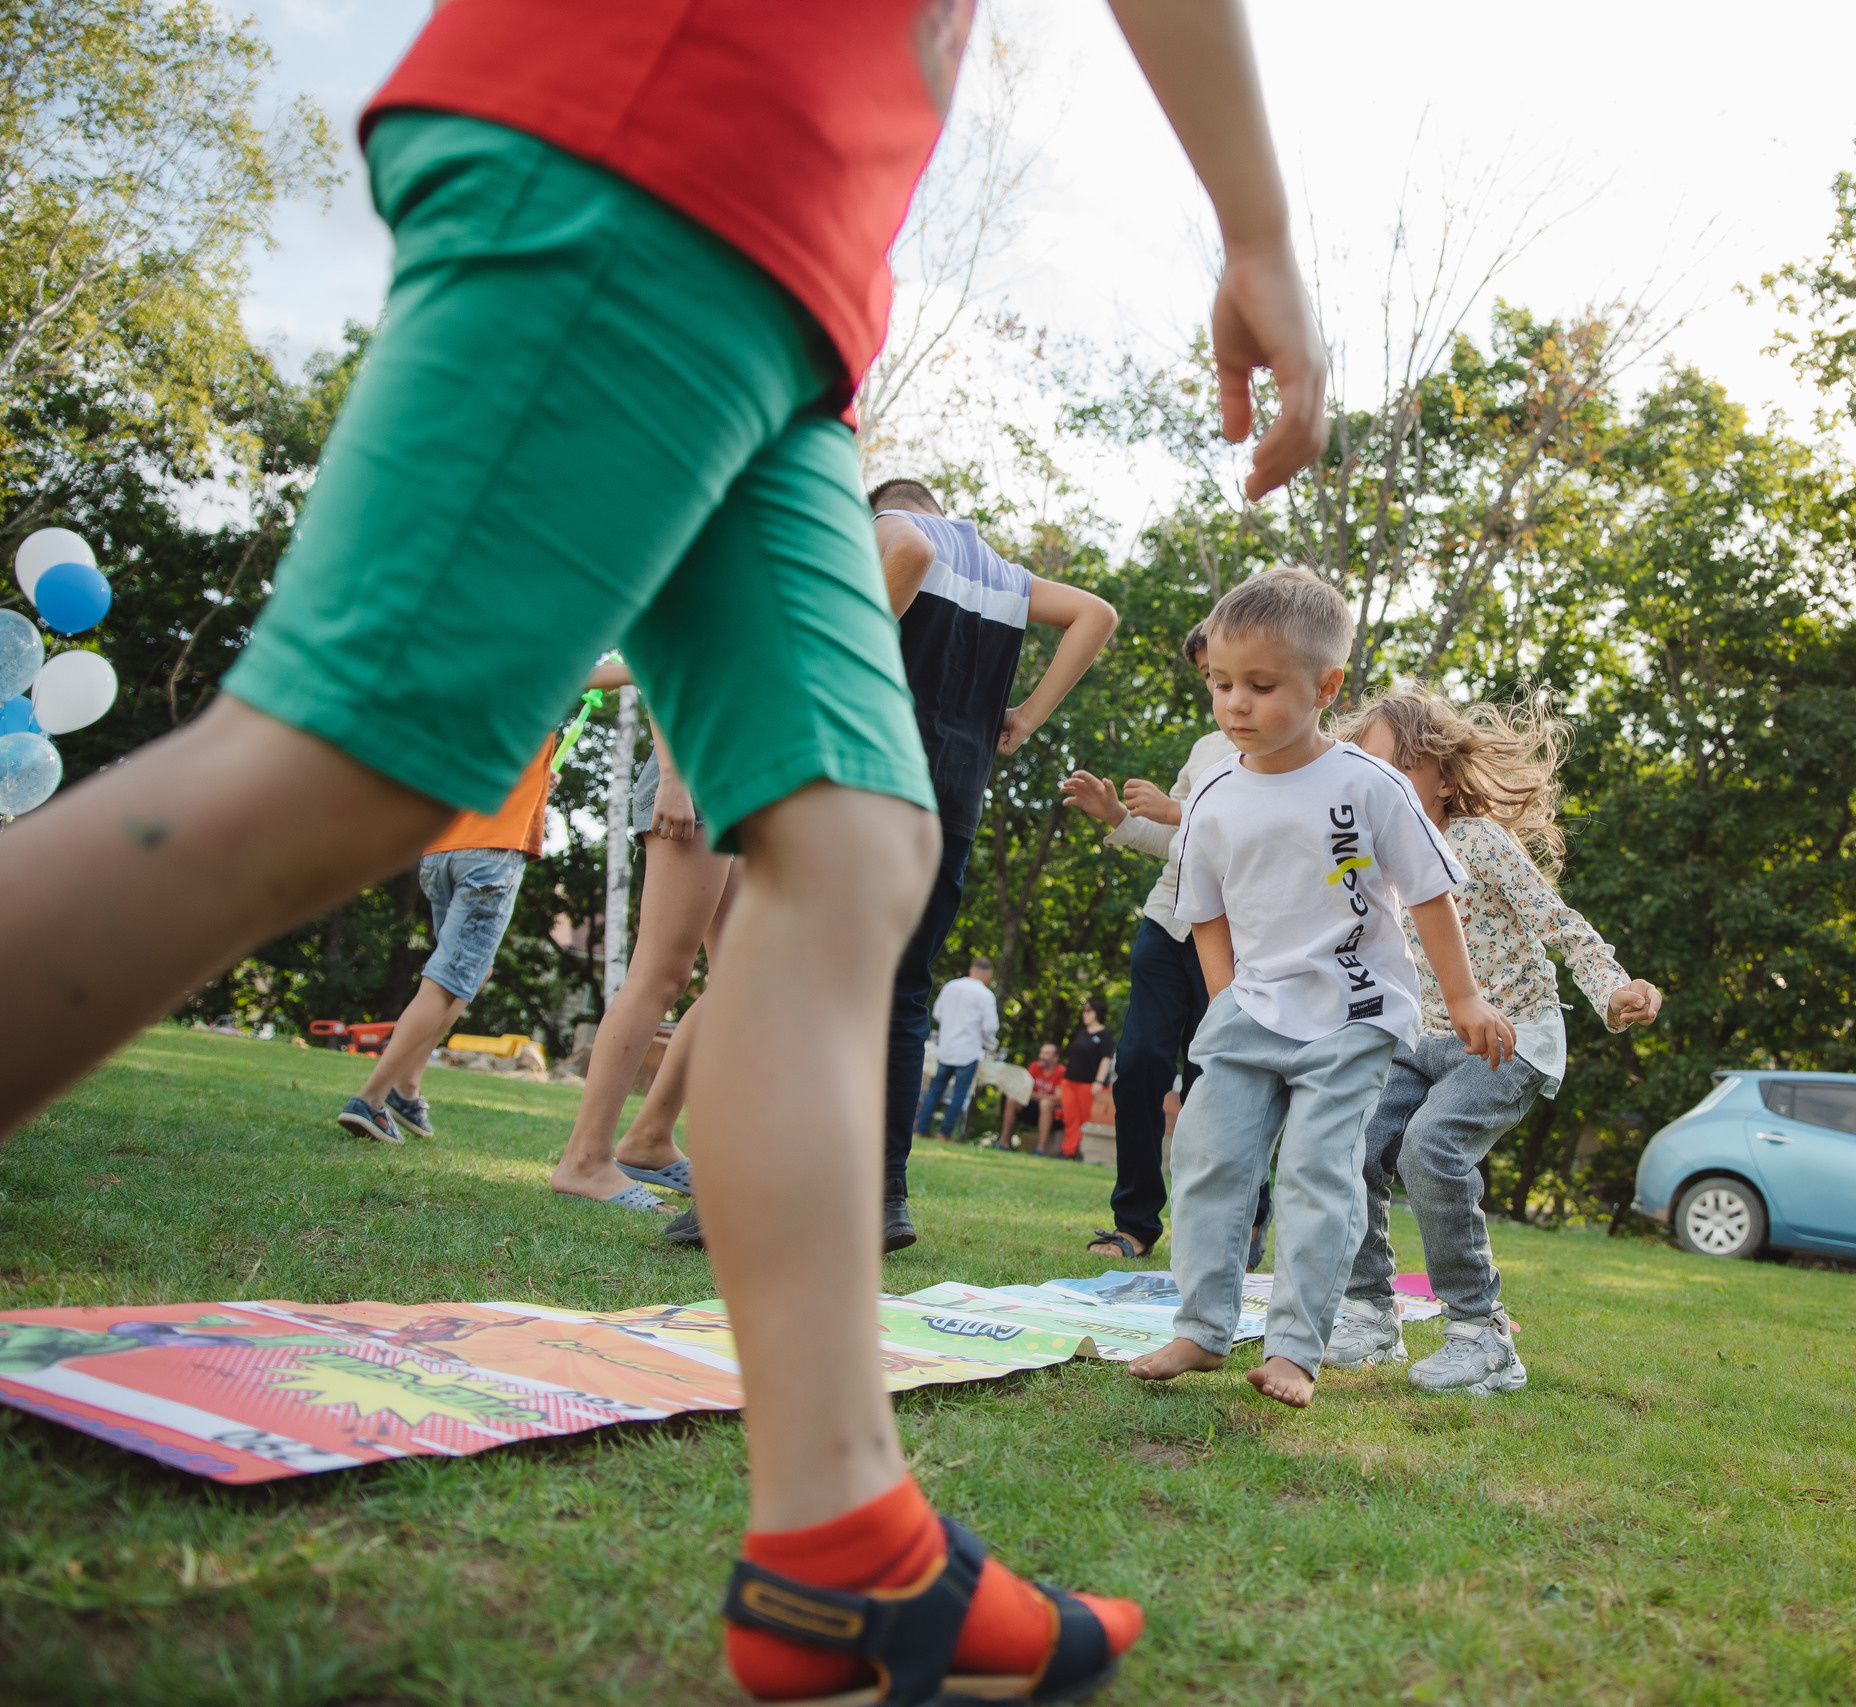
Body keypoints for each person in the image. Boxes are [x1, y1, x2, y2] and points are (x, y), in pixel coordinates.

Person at [0, 3, 1326, 1700]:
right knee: (350, 763)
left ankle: (847, 1550)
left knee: (854, 844)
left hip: (786, 286)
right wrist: (1261, 229)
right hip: (667, 144)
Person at [1124, 570, 1513, 1410]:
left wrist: (1469, 999)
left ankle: (1296, 1349)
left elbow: (1432, 895)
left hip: (1356, 1014)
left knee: (1315, 1171)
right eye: (1221, 685)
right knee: (1206, 1158)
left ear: (1324, 685)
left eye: (1261, 687)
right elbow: (1205, 909)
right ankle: (1201, 1327)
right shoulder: (1212, 797)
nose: (1235, 704)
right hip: (1250, 1011)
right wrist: (1227, 999)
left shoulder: (1369, 787)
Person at [1321, 689, 1664, 1394]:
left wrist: (1614, 989)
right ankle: (1367, 1310)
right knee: (1347, 1137)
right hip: (1418, 1041)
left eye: (1396, 769)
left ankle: (1482, 1334)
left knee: (1430, 1146)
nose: (1376, 786)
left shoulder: (1479, 841)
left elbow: (1560, 922)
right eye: (1364, 771)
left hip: (1509, 1039)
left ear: (1443, 779)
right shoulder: (1367, 860)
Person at [871, 481, 1118, 1250]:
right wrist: (1029, 715)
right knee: (903, 996)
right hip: (953, 801)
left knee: (805, 981)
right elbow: (1097, 614)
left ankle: (747, 1189)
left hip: (870, 783)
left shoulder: (894, 529)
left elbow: (906, 548)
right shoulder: (1005, 575)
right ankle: (883, 1196)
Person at [336, 658, 631, 1151]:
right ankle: (370, 1098)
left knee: (470, 972)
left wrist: (537, 779)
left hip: (443, 852)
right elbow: (624, 668)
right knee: (448, 978)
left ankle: (408, 1089)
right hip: (490, 856)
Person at [1062, 622, 1233, 1255]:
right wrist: (1120, 819)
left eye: (1230, 672)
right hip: (1168, 921)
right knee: (1137, 1069)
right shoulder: (1207, 747)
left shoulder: (1293, 752)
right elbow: (1172, 840)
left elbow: (1261, 834)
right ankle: (1135, 1222)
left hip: (1240, 943)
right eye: (1210, 679)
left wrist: (1177, 810)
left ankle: (1239, 1222)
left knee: (1221, 1079)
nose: (1221, 691)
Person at [546, 711, 738, 1209]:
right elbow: (665, 655)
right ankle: (584, 1161)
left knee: (740, 982)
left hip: (746, 780)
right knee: (661, 975)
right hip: (696, 770)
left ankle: (650, 1140)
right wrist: (673, 779)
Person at [917, 954, 1000, 1139]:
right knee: (959, 1093)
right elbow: (991, 1027)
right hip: (968, 1051)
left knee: (936, 1088)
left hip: (946, 1047)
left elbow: (937, 1013)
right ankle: (945, 1133)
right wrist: (989, 1041)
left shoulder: (951, 986)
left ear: (971, 969)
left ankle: (922, 1129)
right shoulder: (985, 995)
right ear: (988, 975)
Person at [1049, 998, 1115, 1160]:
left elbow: (1106, 1059)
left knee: (1086, 1118)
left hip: (1089, 1084)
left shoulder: (1104, 1036)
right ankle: (1068, 1150)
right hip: (1070, 1081)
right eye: (1084, 1010)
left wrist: (1098, 1082)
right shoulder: (1082, 1033)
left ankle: (1083, 1152)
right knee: (1070, 1118)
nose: (1084, 1014)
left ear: (1097, 1013)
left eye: (1088, 1011)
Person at [1001, 1040, 1064, 1150]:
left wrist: (1033, 1095)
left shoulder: (1061, 1071)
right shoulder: (1035, 1067)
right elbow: (1024, 1090)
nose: (1041, 1056)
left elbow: (1058, 1099)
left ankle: (1040, 1149)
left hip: (1052, 1113)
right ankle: (1003, 1143)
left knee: (1045, 1103)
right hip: (1031, 1107)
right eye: (1041, 1053)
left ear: (1055, 1058)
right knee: (1012, 1099)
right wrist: (1031, 1095)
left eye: (1046, 1054)